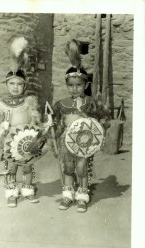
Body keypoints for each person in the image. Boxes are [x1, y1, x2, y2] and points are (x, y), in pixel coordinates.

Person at [0, 38, 42, 208]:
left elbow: (35, 122)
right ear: (7, 85)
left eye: (19, 84)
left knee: (27, 167)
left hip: (26, 141)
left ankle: (28, 190)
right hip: (9, 142)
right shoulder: (1, 104)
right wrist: (1, 129)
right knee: (11, 168)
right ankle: (11, 193)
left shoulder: (29, 103)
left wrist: (37, 133)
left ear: (24, 86)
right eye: (11, 84)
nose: (15, 87)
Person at [53, 40, 97, 213]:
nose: (74, 89)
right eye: (70, 85)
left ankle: (82, 195)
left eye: (78, 85)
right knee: (69, 167)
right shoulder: (61, 104)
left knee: (82, 167)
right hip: (67, 141)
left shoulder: (90, 102)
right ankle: (68, 194)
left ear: (85, 85)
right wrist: (52, 123)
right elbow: (56, 120)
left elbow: (98, 121)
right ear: (67, 86)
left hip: (84, 141)